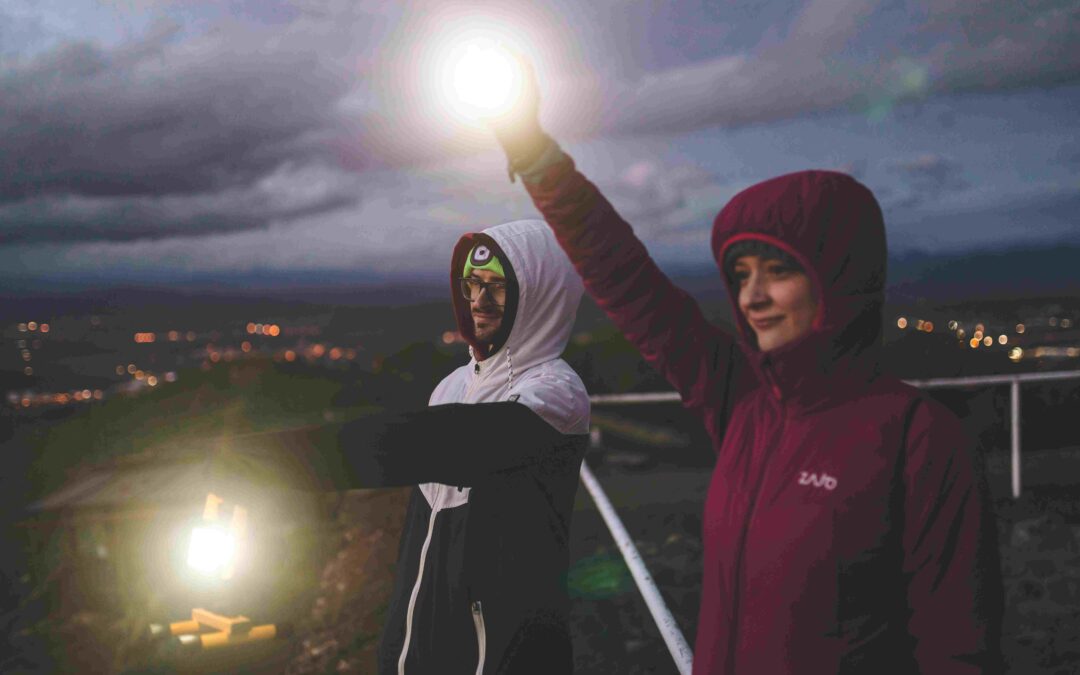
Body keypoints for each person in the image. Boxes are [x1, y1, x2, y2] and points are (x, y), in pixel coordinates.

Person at [485, 72, 1004, 673]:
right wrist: (538, 158)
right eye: (740, 273)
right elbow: (630, 283)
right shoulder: (747, 403)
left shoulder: (919, 439)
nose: (752, 295)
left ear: (838, 277)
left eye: (778, 270)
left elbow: (959, 651)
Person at [335, 219, 590, 673]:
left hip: (503, 649)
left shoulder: (555, 394)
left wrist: (279, 464)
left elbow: (448, 446)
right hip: (422, 639)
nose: (478, 301)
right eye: (471, 284)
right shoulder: (450, 385)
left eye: (497, 287)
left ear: (540, 296)